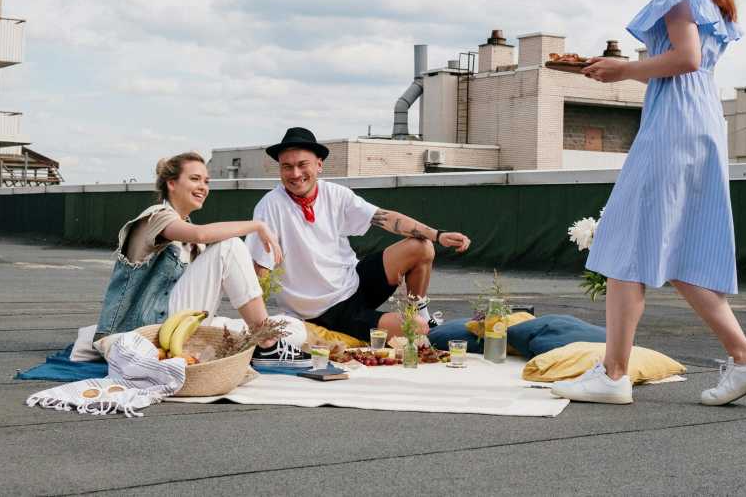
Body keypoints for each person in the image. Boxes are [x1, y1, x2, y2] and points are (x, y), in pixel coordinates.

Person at [551, 0, 746, 406]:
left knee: (627, 240)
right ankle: (741, 359)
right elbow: (692, 57)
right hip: (699, 120)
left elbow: (686, 56)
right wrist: (618, 66)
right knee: (665, 249)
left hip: (674, 121)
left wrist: (623, 70)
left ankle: (614, 374)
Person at [78, 152, 310, 368]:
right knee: (229, 246)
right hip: (141, 331)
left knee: (293, 328)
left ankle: (264, 341)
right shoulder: (155, 216)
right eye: (195, 179)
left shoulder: (189, 234)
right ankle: (267, 345)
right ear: (172, 183)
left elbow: (219, 278)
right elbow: (202, 234)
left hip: (179, 325)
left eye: (206, 181)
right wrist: (258, 225)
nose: (203, 187)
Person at [247, 127, 472, 342]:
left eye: (302, 164)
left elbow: (385, 218)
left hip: (354, 283)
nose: (295, 174)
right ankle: (416, 325)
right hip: (326, 311)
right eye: (287, 166)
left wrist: (438, 235)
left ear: (319, 165)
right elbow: (261, 272)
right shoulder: (270, 207)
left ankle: (421, 312)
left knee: (422, 247)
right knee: (415, 328)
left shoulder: (334, 193)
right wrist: (259, 327)